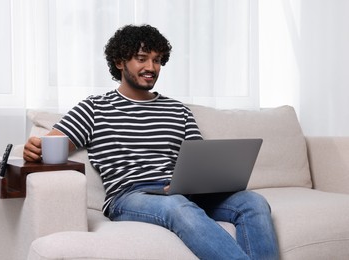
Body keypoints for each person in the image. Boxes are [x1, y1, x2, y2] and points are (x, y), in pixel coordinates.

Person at [23, 24, 279, 259]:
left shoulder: (178, 110)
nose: (152, 67)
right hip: (130, 195)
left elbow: (199, 161)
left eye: (157, 60)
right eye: (142, 59)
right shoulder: (95, 107)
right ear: (120, 62)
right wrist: (35, 149)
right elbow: (50, 146)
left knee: (253, 202)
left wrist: (190, 184)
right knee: (177, 206)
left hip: (180, 191)